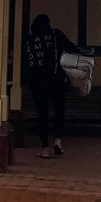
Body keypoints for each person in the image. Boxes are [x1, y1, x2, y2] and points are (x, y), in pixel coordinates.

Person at [24, 13, 79, 158]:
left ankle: (45, 148)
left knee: (42, 114)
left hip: (37, 82)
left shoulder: (30, 39)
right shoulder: (56, 34)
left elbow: (26, 61)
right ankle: (58, 140)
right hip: (57, 80)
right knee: (59, 110)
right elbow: (71, 47)